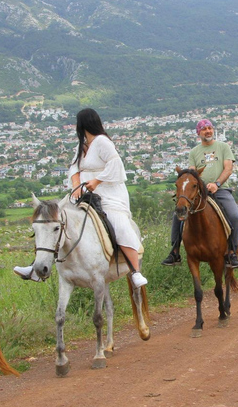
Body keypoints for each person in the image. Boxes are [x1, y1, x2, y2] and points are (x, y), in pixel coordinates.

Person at [14, 108, 148, 288]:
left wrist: (97, 181)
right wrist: (76, 184)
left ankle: (135, 271)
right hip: (84, 192)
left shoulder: (102, 142)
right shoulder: (81, 145)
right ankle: (36, 267)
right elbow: (73, 167)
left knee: (119, 223)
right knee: (56, 219)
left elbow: (116, 164)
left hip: (108, 193)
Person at [161, 119, 238, 269]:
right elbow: (192, 173)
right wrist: (199, 187)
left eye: (210, 128)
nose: (208, 131)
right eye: (204, 129)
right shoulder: (194, 152)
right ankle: (175, 251)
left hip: (221, 189)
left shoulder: (223, 147)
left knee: (235, 217)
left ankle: (232, 252)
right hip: (200, 192)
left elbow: (228, 168)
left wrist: (217, 184)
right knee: (178, 214)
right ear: (199, 133)